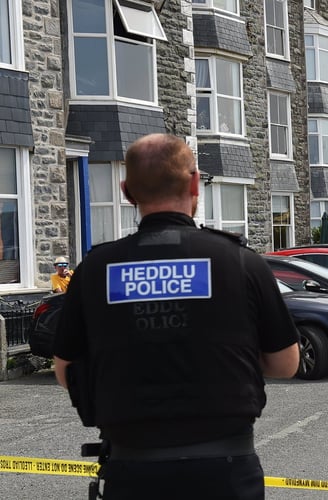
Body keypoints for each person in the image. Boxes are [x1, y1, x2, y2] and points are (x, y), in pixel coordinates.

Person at [52, 133, 300, 500]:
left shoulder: (95, 270)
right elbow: (285, 363)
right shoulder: (242, 263)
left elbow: (64, 372)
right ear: (195, 182)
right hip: (225, 473)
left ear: (126, 191)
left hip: (131, 472)